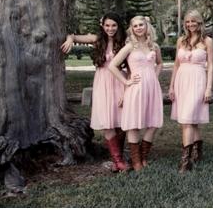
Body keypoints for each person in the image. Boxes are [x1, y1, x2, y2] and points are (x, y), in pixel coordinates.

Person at [61, 13, 129, 172]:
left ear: (118, 26)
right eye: (107, 25)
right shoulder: (97, 39)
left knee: (122, 120)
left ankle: (119, 154)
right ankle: (117, 160)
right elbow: (74, 36)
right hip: (103, 81)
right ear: (102, 26)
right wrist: (70, 39)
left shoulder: (125, 42)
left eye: (113, 25)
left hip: (120, 81)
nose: (110, 29)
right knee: (107, 121)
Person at [109, 16, 163, 171]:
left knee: (153, 123)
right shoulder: (129, 47)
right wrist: (126, 82)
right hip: (136, 87)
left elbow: (159, 63)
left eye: (141, 25)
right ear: (132, 29)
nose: (139, 27)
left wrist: (155, 76)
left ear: (147, 26)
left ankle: (144, 156)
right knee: (134, 124)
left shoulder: (154, 46)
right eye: (135, 26)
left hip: (152, 87)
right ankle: (136, 161)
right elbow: (112, 65)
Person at [168, 10, 213, 174]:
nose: (190, 24)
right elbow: (176, 64)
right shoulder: (181, 40)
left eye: (193, 21)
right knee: (189, 120)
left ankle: (185, 161)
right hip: (181, 81)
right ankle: (197, 152)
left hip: (198, 81)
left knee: (187, 120)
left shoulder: (207, 41)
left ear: (200, 22)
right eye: (187, 22)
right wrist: (171, 86)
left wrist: (208, 88)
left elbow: (210, 66)